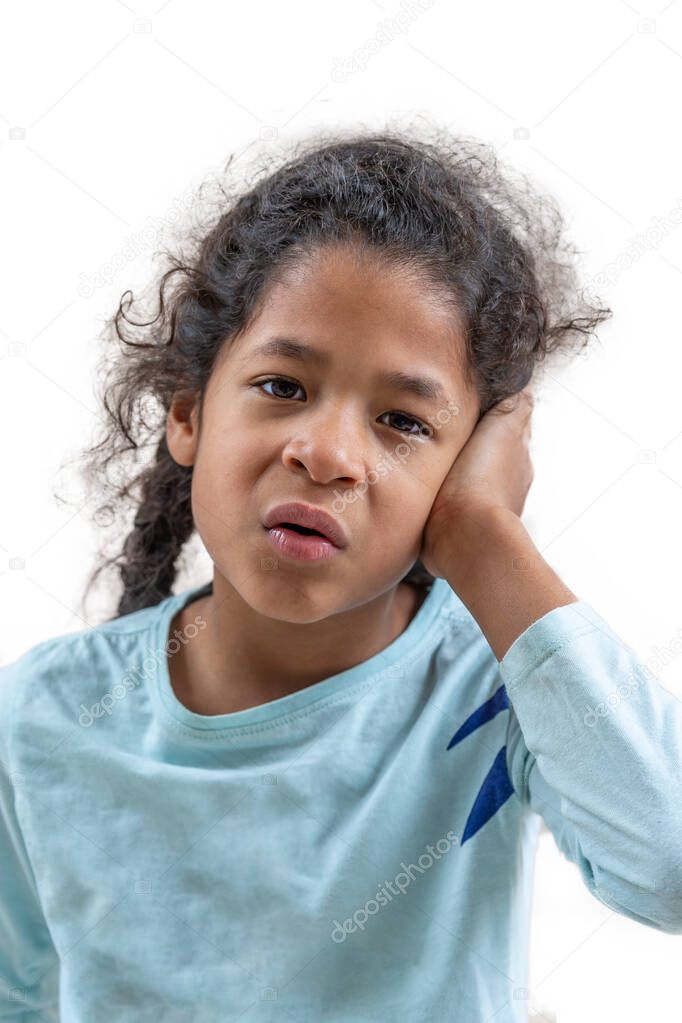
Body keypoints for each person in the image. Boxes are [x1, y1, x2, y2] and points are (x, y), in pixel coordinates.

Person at [2, 127, 681, 1023]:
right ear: (187, 413)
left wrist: (485, 537)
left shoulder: (493, 691)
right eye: (284, 386)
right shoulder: (41, 719)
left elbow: (666, 865)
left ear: (473, 461)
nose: (326, 454)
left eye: (404, 421)